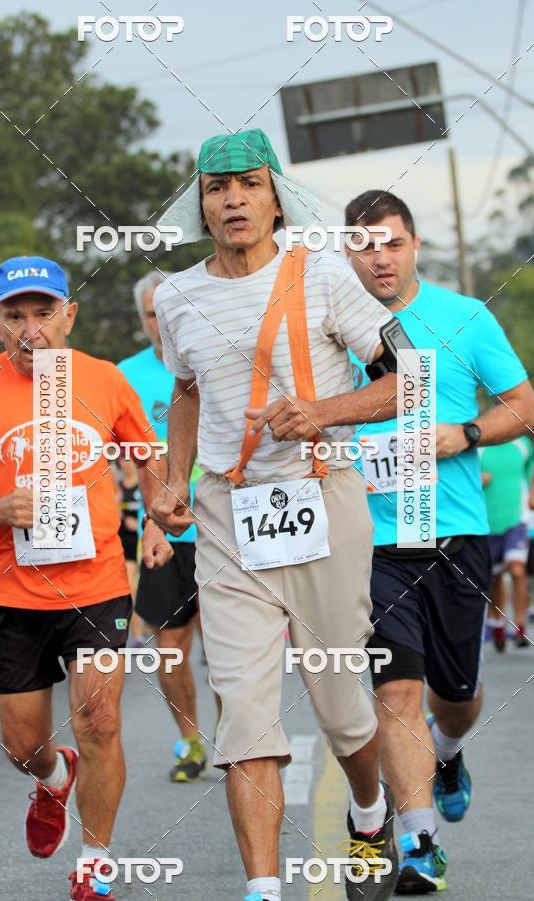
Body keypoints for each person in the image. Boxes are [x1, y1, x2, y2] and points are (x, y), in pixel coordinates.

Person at [149, 128, 411, 901]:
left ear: (274, 195)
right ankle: (263, 890)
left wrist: (325, 410)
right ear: (201, 202)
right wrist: (173, 479)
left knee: (339, 705)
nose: (232, 198)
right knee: (245, 715)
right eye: (216, 185)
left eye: (248, 183)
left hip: (321, 497)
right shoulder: (176, 294)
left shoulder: (327, 275)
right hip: (228, 517)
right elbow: (187, 391)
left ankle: (369, 813)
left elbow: (407, 379)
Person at [0, 255, 172, 901]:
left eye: (43, 312)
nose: (30, 327)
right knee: (21, 745)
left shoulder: (103, 380)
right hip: (9, 590)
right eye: (15, 315)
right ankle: (51, 772)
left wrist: (156, 522)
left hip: (95, 582)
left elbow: (148, 453)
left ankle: (95, 860)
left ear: (70, 314)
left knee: (99, 721)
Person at [344, 190, 534, 894]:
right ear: (347, 253)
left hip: (453, 534)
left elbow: (524, 401)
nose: (380, 257)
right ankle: (419, 843)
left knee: (457, 693)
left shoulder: (464, 318)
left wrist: (469, 432)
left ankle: (449, 751)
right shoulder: (332, 328)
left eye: (391, 242)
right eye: (364, 245)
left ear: (414, 245)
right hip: (371, 541)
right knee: (394, 691)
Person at [119, 271, 209, 782]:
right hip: (162, 535)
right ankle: (190, 741)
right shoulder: (124, 376)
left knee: (227, 650)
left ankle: (239, 742)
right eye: (152, 314)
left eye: (169, 310)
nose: (161, 323)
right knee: (170, 648)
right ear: (143, 321)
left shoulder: (219, 362)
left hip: (223, 529)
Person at [480, 437, 534, 649]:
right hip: (488, 521)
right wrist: (478, 479)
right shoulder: (481, 445)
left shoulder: (522, 444)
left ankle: (520, 626)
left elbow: (531, 468)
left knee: (517, 569)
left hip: (517, 519)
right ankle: (498, 623)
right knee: (495, 577)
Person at [114, 457, 145, 647]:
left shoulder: (143, 485)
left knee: (144, 589)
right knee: (130, 588)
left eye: (129, 459)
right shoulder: (117, 486)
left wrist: (138, 524)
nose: (126, 463)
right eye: (122, 460)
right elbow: (111, 510)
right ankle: (138, 634)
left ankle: (149, 622)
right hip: (126, 544)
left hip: (142, 541)